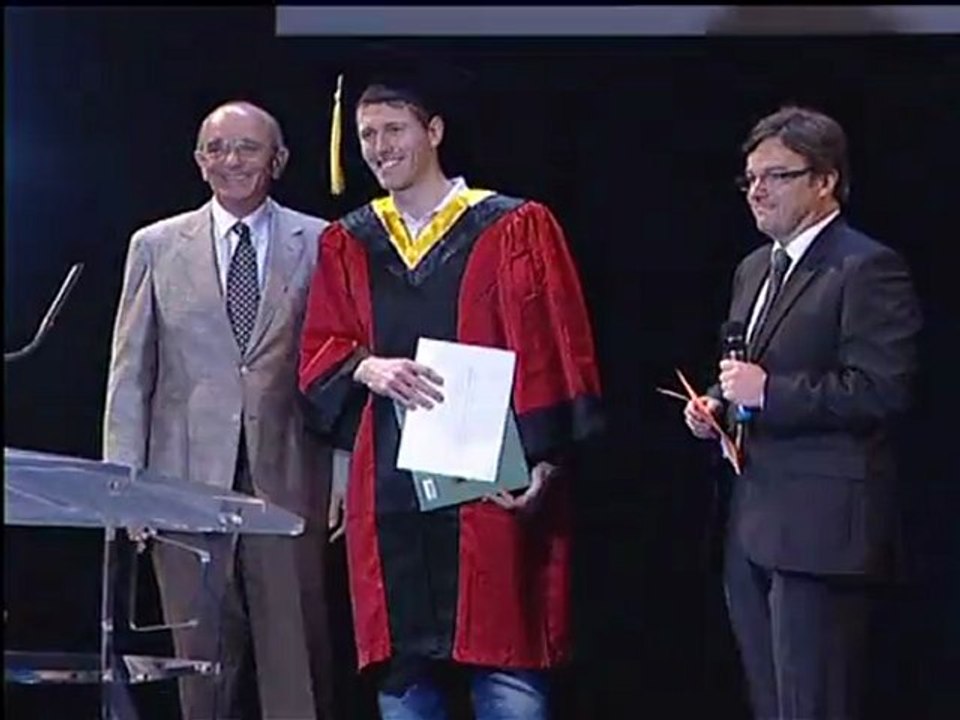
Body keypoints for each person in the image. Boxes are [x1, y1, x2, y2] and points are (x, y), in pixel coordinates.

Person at [298, 53, 604, 720]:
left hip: (491, 485)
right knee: (406, 676)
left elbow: (555, 354)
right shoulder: (348, 243)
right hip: (392, 491)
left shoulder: (513, 225)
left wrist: (543, 462)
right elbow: (321, 352)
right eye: (367, 135)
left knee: (507, 674)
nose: (379, 148)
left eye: (393, 130)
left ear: (433, 131)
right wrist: (364, 367)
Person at [103, 100, 339, 720]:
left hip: (289, 480)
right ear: (199, 160)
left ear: (279, 160)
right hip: (180, 487)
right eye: (217, 149)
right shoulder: (154, 245)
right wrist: (122, 488)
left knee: (298, 670)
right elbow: (130, 375)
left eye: (248, 148)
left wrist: (342, 468)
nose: (232, 161)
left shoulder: (321, 242)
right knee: (199, 668)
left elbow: (341, 364)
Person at [683, 106, 922, 719]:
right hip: (752, 525)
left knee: (813, 705)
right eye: (750, 179)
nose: (757, 192)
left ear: (825, 181)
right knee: (772, 704)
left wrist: (770, 394)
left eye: (775, 176)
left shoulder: (865, 267)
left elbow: (880, 390)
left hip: (822, 531)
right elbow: (747, 373)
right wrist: (717, 404)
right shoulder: (755, 267)